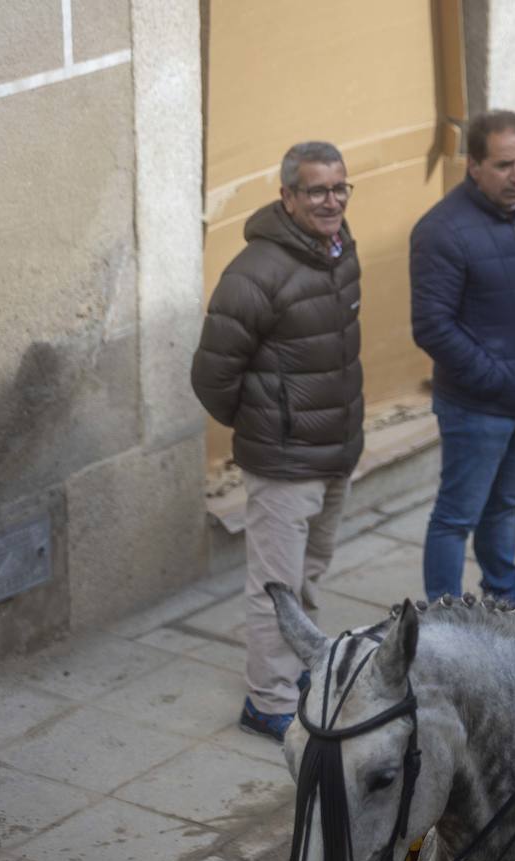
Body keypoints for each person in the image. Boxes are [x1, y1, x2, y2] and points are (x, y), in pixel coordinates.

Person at [191, 141, 363, 741]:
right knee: (275, 588)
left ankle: (300, 671)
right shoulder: (253, 275)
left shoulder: (342, 251)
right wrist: (272, 426)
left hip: (336, 452)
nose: (331, 200)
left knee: (309, 573)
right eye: (316, 190)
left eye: (340, 187)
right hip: (284, 464)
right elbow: (211, 378)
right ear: (286, 196)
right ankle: (267, 702)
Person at [411, 110, 515, 603]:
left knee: (506, 505)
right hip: (477, 407)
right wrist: (498, 379)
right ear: (473, 165)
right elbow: (432, 326)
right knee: (455, 516)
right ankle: (442, 614)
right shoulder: (441, 231)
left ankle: (502, 595)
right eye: (504, 165)